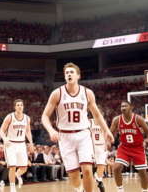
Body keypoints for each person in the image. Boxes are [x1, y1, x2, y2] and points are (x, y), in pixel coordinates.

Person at [42, 63, 114, 192]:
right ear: (65, 77)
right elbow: (45, 116)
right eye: (67, 73)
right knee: (74, 176)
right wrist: (51, 130)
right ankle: (79, 189)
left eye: (71, 72)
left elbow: (97, 114)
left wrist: (107, 130)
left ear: (78, 76)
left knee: (87, 170)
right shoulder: (57, 93)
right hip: (65, 136)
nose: (69, 74)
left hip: (83, 135)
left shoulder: (87, 93)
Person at [109, 101, 148, 192]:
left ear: (131, 107)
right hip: (124, 147)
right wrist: (107, 142)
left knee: (142, 172)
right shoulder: (117, 119)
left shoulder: (138, 119)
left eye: (125, 106)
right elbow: (110, 133)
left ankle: (145, 190)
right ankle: (120, 189)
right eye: (122, 106)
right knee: (117, 168)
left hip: (138, 147)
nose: (123, 108)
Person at [0, 99, 34, 192]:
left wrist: (31, 143)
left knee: (24, 167)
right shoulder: (10, 117)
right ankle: (12, 187)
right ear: (14, 107)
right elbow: (1, 130)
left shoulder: (27, 118)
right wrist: (5, 139)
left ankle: (17, 175)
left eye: (21, 105)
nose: (20, 106)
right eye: (18, 105)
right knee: (13, 166)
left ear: (23, 106)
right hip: (10, 144)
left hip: (22, 144)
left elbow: (28, 131)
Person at [90, 105, 107, 192]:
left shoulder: (103, 122)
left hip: (101, 145)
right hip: (92, 145)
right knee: (90, 166)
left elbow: (105, 133)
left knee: (102, 165)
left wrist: (105, 144)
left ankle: (98, 180)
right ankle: (98, 183)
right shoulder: (90, 122)